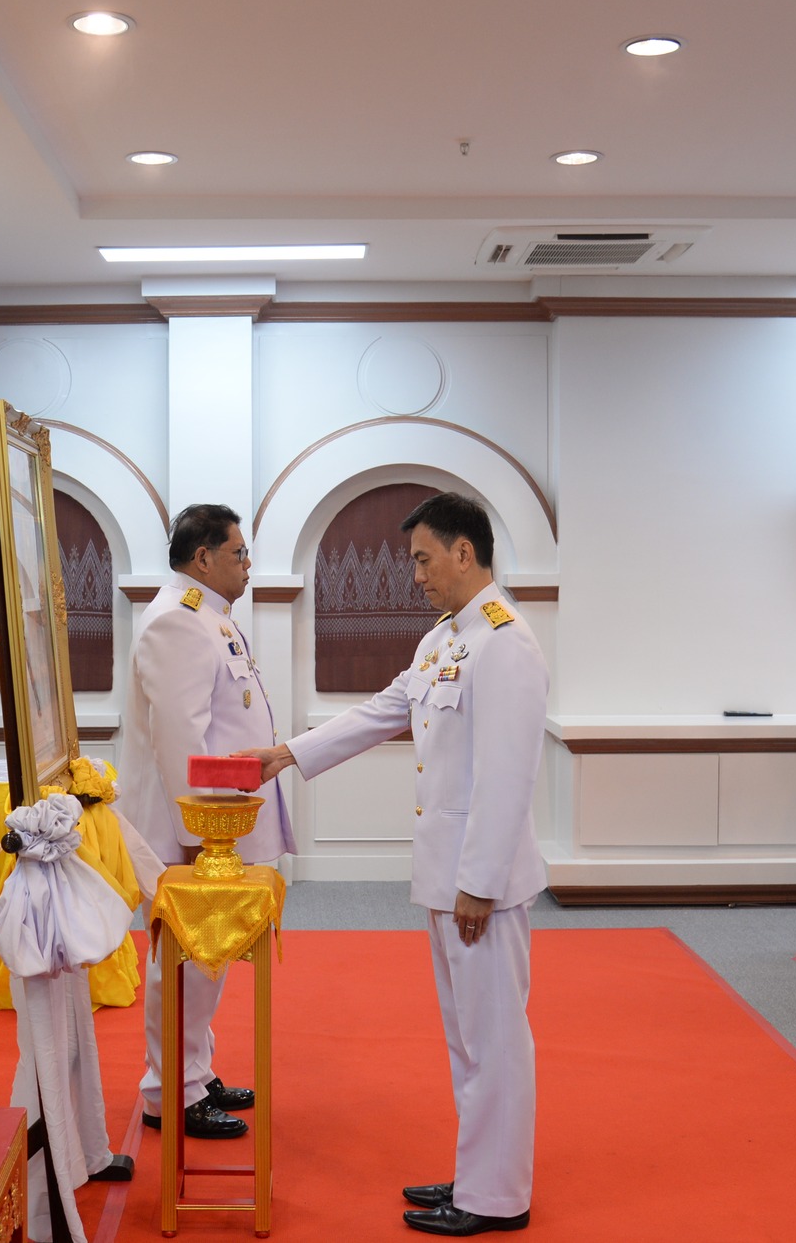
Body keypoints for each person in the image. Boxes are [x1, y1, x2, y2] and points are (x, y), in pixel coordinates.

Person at [243, 492, 546, 1238]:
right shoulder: (448, 637)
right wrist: (289, 753)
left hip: (482, 880)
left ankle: (497, 1197)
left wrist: (478, 882)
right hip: (450, 873)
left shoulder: (506, 643)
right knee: (466, 1036)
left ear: (464, 552)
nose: (415, 575)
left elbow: (507, 778)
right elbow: (385, 708)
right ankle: (478, 1173)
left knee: (495, 1038)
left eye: (422, 558)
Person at [116, 503, 292, 1139]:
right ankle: (171, 1090)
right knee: (185, 958)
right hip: (188, 830)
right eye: (240, 553)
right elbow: (180, 739)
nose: (248, 565)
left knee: (206, 956)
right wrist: (202, 841)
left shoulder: (208, 618)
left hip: (213, 828)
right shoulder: (179, 623)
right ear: (203, 560)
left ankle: (195, 1067)